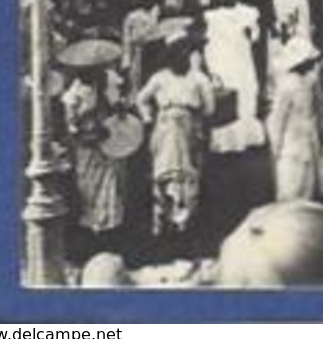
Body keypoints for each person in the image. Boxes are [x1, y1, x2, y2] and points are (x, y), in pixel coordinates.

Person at [134, 34, 214, 236]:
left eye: (186, 52)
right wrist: (148, 117)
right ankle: (161, 219)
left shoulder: (199, 78)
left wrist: (195, 119)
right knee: (164, 173)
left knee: (187, 174)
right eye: (177, 53)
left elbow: (209, 108)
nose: (182, 56)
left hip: (188, 129)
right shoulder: (160, 78)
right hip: (165, 128)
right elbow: (141, 98)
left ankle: (184, 222)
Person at [61, 65, 129, 238]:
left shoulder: (104, 88)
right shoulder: (74, 93)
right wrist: (87, 134)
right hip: (86, 143)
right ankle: (92, 227)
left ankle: (110, 226)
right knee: (88, 184)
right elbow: (71, 126)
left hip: (106, 142)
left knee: (111, 181)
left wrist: (117, 104)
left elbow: (117, 111)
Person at [202, 0, 264, 154]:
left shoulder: (249, 13)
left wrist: (248, 33)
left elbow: (255, 36)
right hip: (221, 59)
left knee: (246, 93)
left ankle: (245, 136)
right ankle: (226, 140)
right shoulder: (211, 16)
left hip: (241, 59)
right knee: (226, 95)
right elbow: (208, 41)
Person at [267, 37, 323, 203]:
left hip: (309, 143)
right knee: (291, 191)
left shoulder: (310, 82)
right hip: (291, 147)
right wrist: (275, 150)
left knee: (308, 190)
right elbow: (277, 121)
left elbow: (317, 112)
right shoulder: (286, 86)